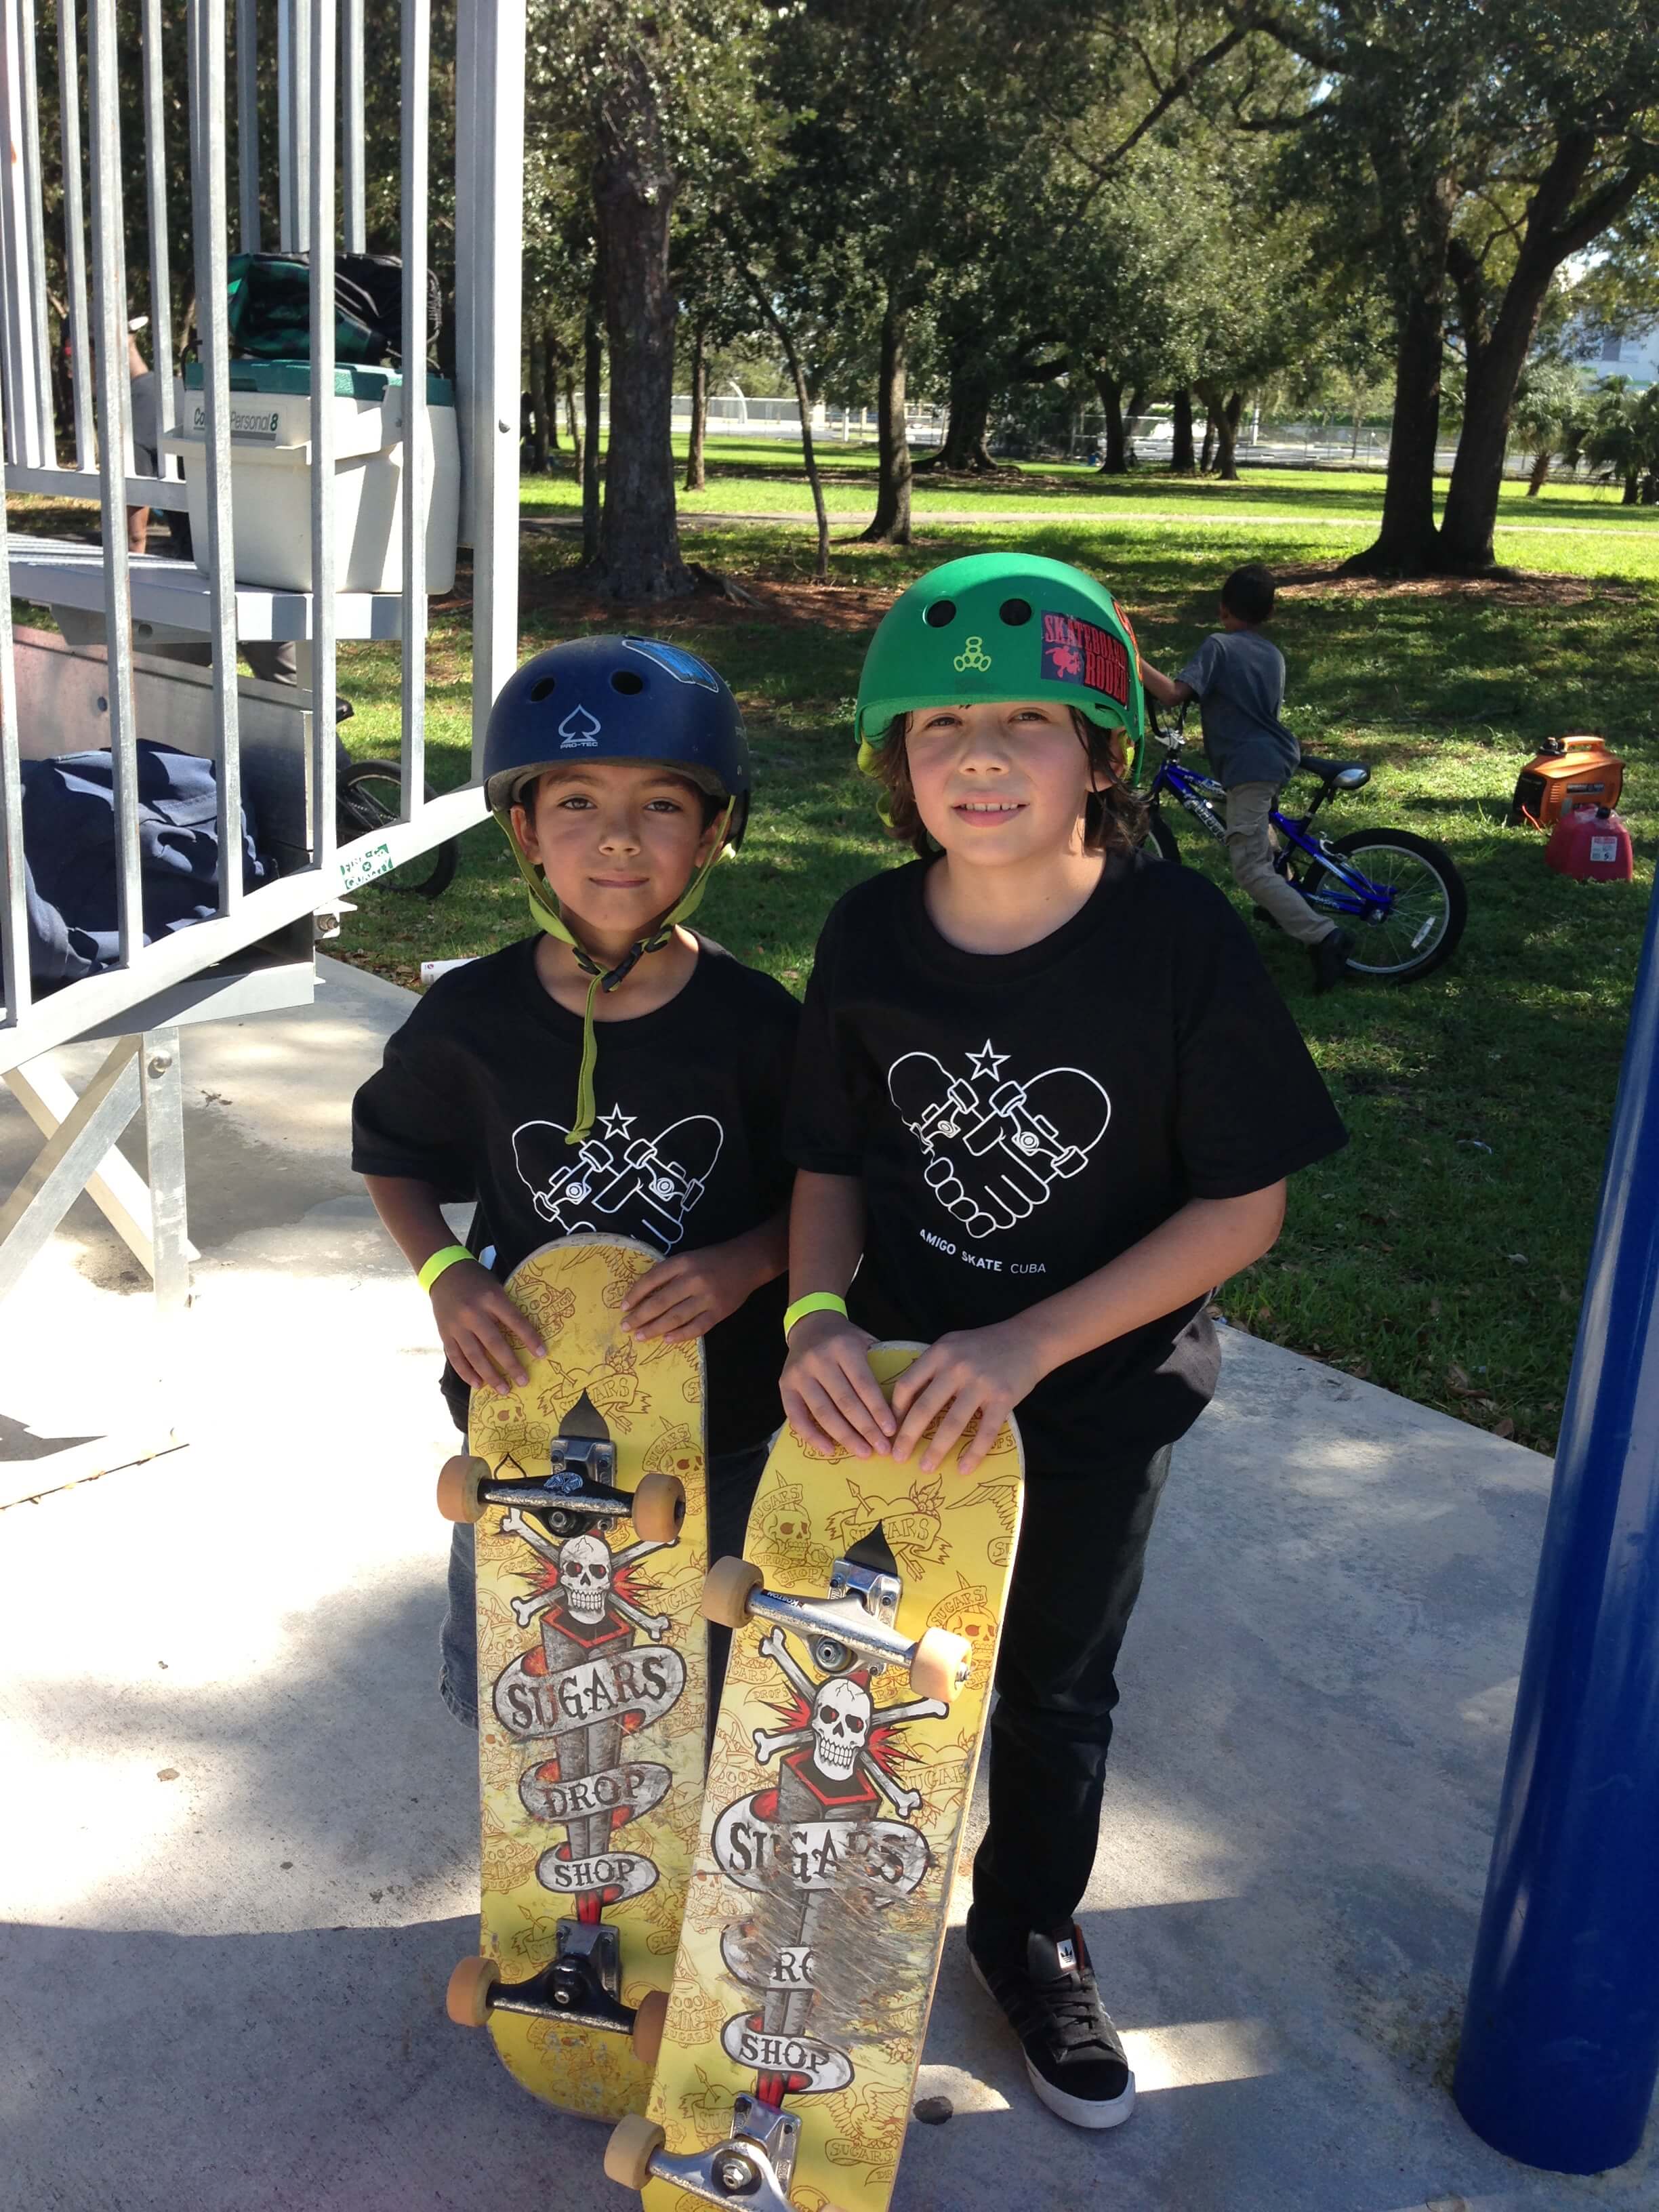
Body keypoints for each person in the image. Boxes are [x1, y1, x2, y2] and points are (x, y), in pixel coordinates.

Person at [780, 553, 1346, 2131]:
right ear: (891, 762)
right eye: (939, 720)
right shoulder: (866, 930)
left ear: (1099, 749)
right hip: (889, 1388)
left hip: (1090, 1394)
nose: (977, 751)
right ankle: (828, 1903)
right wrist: (818, 1315)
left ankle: (1022, 1924)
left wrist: (1030, 1342)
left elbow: (1241, 1208)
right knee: (850, 1658)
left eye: (1025, 717)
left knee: (1047, 1683)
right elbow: (828, 1164)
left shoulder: (1174, 939)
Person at [351, 634, 799, 1726]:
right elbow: (393, 1153)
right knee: (528, 1670)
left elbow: (834, 1191)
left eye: (660, 805)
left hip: (718, 1413)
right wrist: (448, 1276)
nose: (615, 838)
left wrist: (746, 1263)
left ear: (711, 834)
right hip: (523, 1408)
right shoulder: (472, 1018)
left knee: (693, 1658)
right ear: (524, 831)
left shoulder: (761, 1028)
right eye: (577, 804)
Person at [1139, 562, 1354, 994]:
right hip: (1272, 758)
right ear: (1269, 614)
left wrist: (1133, 658)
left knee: (1249, 867)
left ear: (1223, 609)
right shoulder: (1272, 654)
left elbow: (1173, 694)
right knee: (1246, 826)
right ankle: (1283, 901)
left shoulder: (1218, 646)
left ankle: (1324, 936)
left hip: (1251, 766)